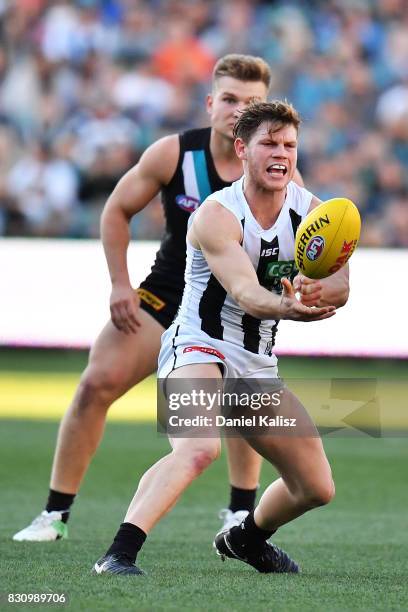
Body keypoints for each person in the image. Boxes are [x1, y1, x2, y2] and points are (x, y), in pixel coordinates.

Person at [13, 54, 302, 542]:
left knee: (242, 395)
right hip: (166, 296)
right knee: (96, 384)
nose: (239, 109)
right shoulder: (174, 154)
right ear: (211, 103)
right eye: (230, 99)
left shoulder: (279, 172)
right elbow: (116, 210)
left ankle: (238, 512)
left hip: (233, 308)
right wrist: (120, 284)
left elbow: (290, 247)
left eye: (251, 102)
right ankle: (54, 515)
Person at [93, 100, 350, 576]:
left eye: (289, 145)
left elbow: (341, 283)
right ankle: (118, 555)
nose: (281, 153)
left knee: (316, 487)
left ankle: (246, 538)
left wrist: (319, 292)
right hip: (198, 347)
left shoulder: (313, 212)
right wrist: (289, 306)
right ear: (242, 149)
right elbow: (247, 293)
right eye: (269, 143)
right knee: (198, 447)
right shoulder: (216, 214)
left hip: (254, 365)